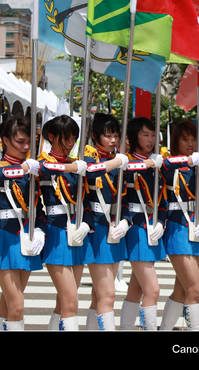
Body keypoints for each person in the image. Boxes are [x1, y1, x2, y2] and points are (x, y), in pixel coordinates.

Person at [0, 116, 46, 330]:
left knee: (7, 305)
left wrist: (40, 230)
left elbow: (40, 206)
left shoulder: (32, 167)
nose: (26, 147)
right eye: (20, 141)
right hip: (5, 237)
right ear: (5, 140)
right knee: (17, 307)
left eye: (29, 141)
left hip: (27, 237)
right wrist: (26, 168)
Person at [38, 115, 95, 331]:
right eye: (66, 139)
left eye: (74, 139)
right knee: (71, 301)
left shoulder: (76, 163)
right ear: (51, 137)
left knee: (63, 302)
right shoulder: (43, 161)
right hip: (56, 232)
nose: (71, 144)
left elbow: (87, 199)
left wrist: (87, 224)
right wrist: (73, 168)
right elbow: (45, 170)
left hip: (77, 231)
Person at [159, 120, 199, 331]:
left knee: (182, 290)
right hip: (178, 226)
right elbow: (166, 166)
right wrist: (189, 160)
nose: (191, 143)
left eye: (194, 139)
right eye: (185, 139)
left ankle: (165, 329)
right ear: (176, 141)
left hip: (197, 227)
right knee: (195, 289)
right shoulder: (171, 163)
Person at [81, 113, 130, 331]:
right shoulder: (89, 157)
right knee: (108, 294)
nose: (113, 140)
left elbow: (125, 197)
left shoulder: (118, 160)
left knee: (99, 295)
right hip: (97, 229)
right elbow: (90, 172)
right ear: (94, 136)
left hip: (114, 227)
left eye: (116, 135)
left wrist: (126, 221)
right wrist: (117, 161)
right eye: (107, 136)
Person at [119, 117, 166, 331]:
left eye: (153, 134)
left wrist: (162, 223)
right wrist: (149, 163)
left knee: (136, 289)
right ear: (133, 136)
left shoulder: (156, 162)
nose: (150, 139)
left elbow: (163, 199)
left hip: (152, 227)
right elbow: (127, 170)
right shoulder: (126, 161)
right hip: (136, 227)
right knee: (152, 289)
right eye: (145, 134)